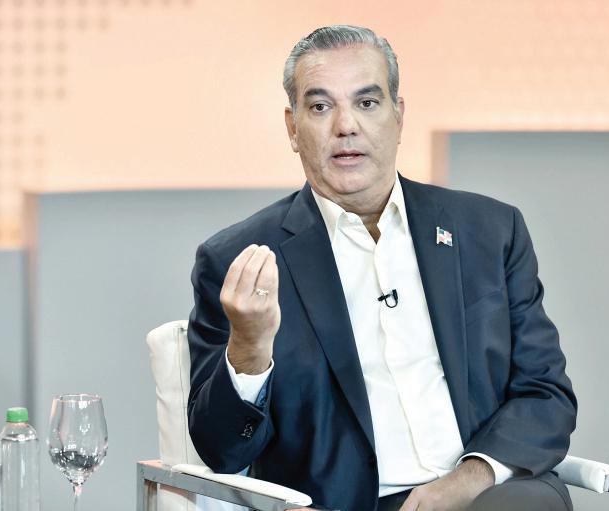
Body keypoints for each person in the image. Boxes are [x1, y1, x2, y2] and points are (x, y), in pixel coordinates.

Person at [187, 25, 577, 511]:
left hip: (488, 493)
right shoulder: (240, 260)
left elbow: (545, 395)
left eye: (367, 103)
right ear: (292, 128)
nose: (346, 126)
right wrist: (248, 348)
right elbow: (223, 452)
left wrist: (469, 478)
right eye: (320, 107)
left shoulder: (490, 231)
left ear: (399, 116)